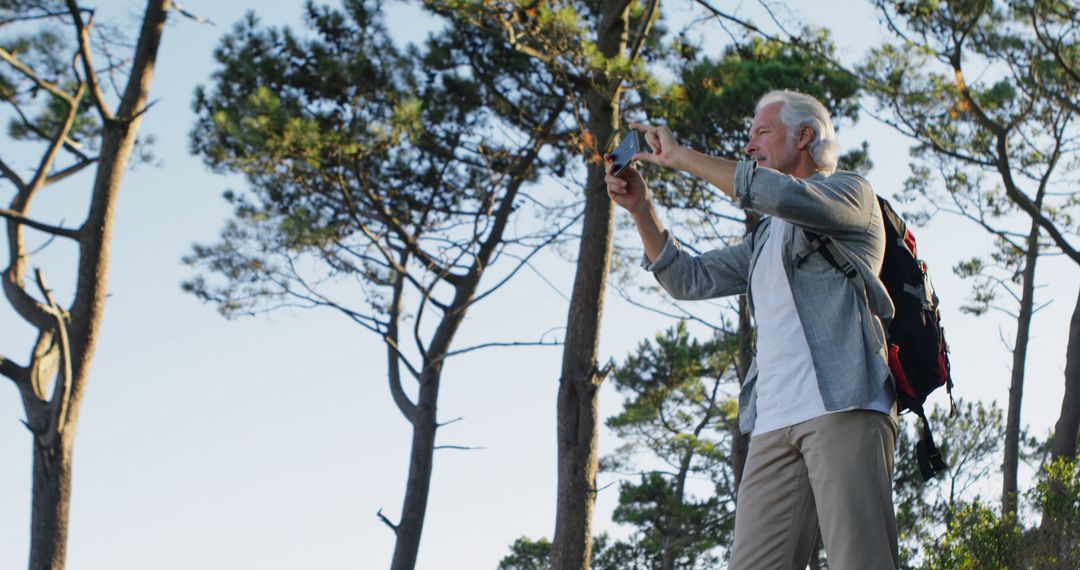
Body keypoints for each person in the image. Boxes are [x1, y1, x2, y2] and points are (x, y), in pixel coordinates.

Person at [605, 89, 899, 570]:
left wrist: (680, 156)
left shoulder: (852, 195)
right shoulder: (765, 237)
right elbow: (689, 278)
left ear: (805, 136)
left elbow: (771, 191)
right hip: (771, 422)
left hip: (844, 405)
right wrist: (642, 211)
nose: (749, 144)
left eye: (762, 131)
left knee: (860, 561)